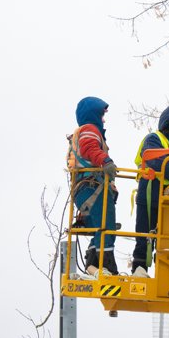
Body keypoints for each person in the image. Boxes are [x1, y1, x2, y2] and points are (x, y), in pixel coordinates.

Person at [132, 105, 169, 277]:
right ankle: (139, 269)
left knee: (168, 240)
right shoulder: (153, 139)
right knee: (144, 235)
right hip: (150, 195)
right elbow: (158, 161)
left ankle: (165, 275)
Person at [69, 97, 119, 276]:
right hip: (91, 186)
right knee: (106, 224)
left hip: (86, 187)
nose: (103, 120)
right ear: (94, 114)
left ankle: (93, 264)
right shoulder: (91, 129)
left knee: (100, 225)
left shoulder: (85, 130)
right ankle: (103, 265)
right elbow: (90, 148)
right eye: (102, 115)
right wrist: (106, 161)